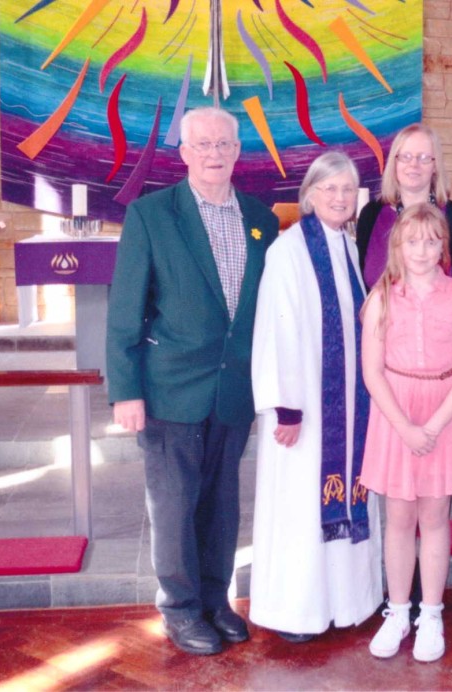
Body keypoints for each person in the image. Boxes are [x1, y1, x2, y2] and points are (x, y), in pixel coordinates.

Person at [105, 106, 279, 655]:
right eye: (202, 144)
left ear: (237, 151)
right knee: (175, 505)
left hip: (233, 389)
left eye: (223, 143)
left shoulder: (262, 219)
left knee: (222, 505)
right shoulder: (152, 215)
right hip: (170, 388)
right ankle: (180, 610)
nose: (213, 153)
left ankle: (215, 600)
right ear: (183, 153)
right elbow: (125, 310)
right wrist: (126, 391)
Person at [249, 150, 383, 642]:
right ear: (310, 195)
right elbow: (276, 328)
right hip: (303, 409)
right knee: (300, 507)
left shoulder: (347, 246)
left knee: (345, 493)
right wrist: (286, 406)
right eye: (330, 188)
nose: (340, 197)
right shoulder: (288, 251)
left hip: (348, 407)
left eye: (348, 189)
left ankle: (348, 603)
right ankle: (298, 612)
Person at [360, 203, 452, 663]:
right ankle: (397, 612)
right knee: (398, 518)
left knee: (434, 518)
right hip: (395, 414)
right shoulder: (381, 297)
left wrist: (431, 426)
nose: (422, 250)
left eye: (431, 242)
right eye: (412, 241)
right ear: (397, 245)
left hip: (443, 414)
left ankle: (430, 614)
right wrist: (406, 427)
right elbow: (372, 372)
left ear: (443, 247)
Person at [356, 123, 452, 298]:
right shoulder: (371, 215)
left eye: (424, 157)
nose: (413, 164)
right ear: (394, 162)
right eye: (406, 156)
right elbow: (360, 288)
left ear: (435, 166)